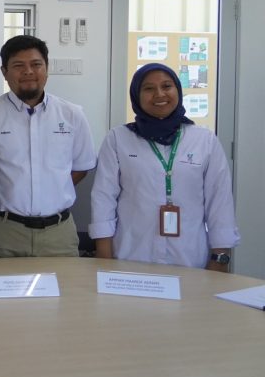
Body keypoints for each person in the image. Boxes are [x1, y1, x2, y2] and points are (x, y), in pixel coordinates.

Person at [90, 63, 239, 270]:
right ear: (136, 96)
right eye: (148, 88)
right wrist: (104, 256)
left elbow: (220, 203)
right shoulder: (118, 139)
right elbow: (103, 198)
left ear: (177, 90)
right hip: (131, 254)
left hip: (189, 257)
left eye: (167, 86)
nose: (159, 94)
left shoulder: (204, 140)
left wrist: (220, 258)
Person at [0, 35, 96, 258]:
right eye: (18, 66)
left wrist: (50, 191)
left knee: (65, 283)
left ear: (47, 69)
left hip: (58, 234)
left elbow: (81, 167)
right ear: (4, 72)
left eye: (36, 64)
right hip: (2, 233)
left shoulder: (72, 115)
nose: (28, 71)